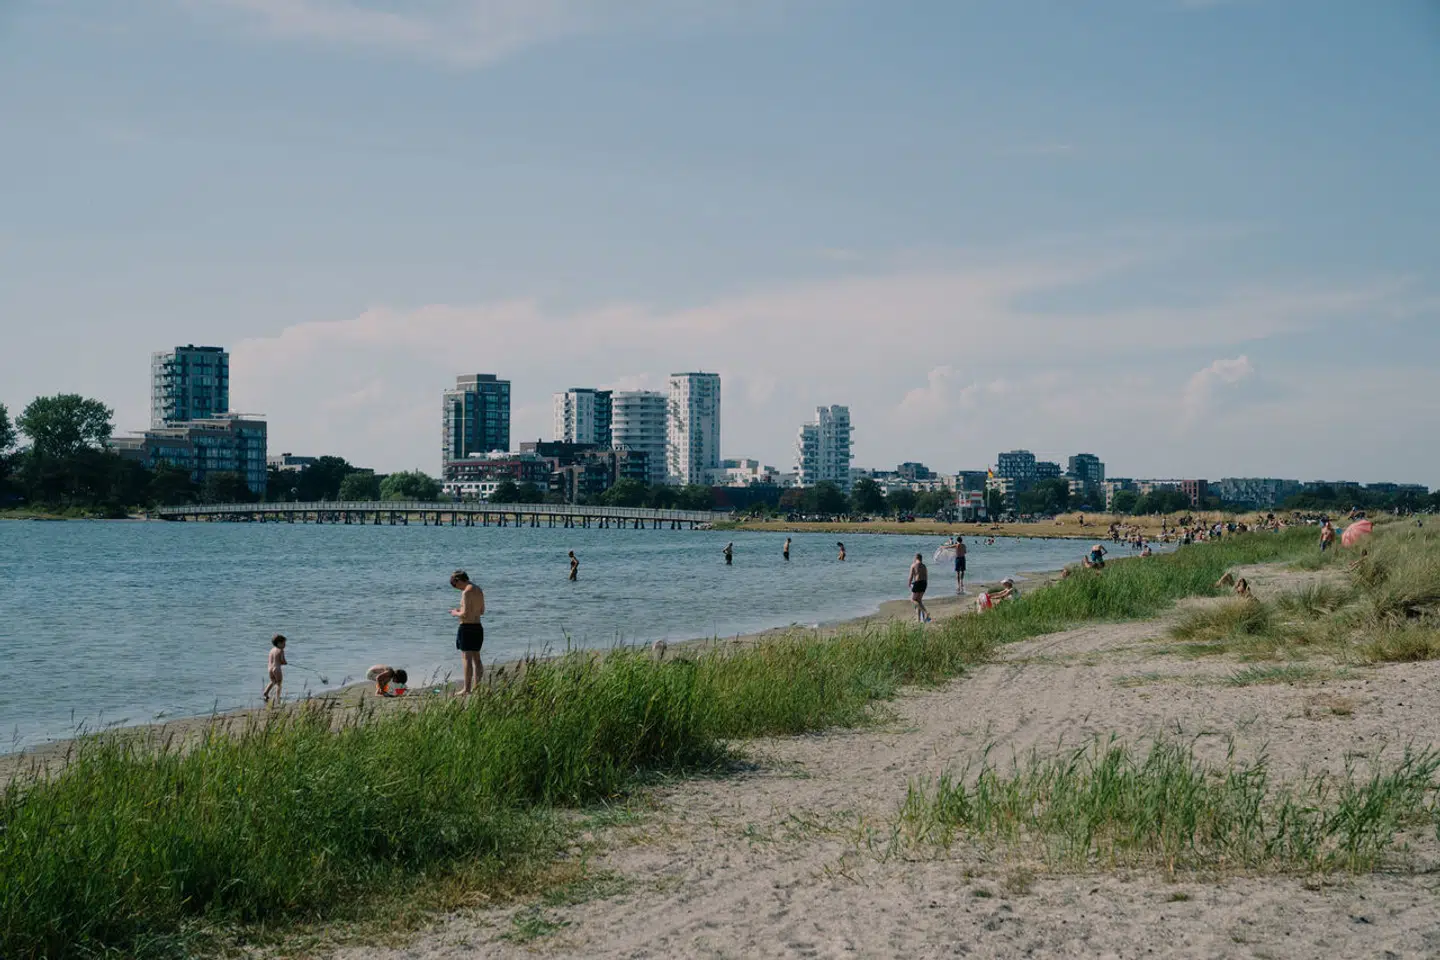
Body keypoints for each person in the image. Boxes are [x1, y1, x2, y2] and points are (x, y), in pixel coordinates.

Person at [449, 569, 485, 696]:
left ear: (458, 580)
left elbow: (464, 614)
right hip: (478, 627)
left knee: (466, 658)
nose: (456, 588)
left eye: (455, 585)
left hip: (466, 627)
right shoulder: (478, 589)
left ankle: (467, 688)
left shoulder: (466, 592)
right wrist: (464, 610)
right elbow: (481, 611)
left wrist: (455, 612)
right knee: (477, 658)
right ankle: (478, 687)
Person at [262, 634, 287, 704]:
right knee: (279, 684)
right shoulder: (281, 650)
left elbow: (271, 660)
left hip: (269, 668)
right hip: (277, 669)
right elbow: (282, 660)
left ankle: (266, 693)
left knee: (273, 681)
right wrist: (285, 662)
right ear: (279, 643)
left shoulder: (271, 650)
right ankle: (277, 697)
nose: (285, 645)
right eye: (284, 643)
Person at [909, 553, 931, 623]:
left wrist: (909, 583)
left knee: (913, 600)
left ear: (916, 558)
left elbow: (911, 576)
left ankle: (926, 612)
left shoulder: (913, 565)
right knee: (919, 601)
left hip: (918, 583)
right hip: (924, 583)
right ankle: (919, 619)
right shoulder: (924, 566)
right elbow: (926, 576)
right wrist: (925, 585)